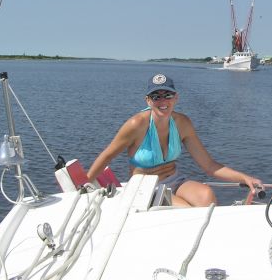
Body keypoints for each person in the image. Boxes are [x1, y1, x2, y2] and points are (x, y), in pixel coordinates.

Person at [87, 73, 262, 207]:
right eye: (156, 96)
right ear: (148, 101)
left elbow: (209, 165)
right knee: (184, 210)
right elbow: (107, 156)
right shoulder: (136, 124)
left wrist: (245, 178)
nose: (162, 101)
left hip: (174, 180)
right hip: (144, 185)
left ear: (176, 97)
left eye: (167, 95)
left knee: (206, 196)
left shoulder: (183, 123)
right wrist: (84, 185)